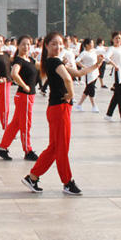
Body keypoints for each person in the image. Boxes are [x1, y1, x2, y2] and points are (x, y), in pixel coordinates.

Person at [21, 33, 102, 195]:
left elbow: (78, 74)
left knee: (55, 147)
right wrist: (71, 94)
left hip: (57, 108)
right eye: (53, 44)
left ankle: (33, 176)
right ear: (46, 46)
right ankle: (67, 182)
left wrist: (97, 65)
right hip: (60, 108)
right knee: (62, 148)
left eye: (60, 44)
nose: (58, 47)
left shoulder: (52, 61)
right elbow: (68, 79)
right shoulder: (54, 61)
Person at [0, 35, 40, 161]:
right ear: (18, 46)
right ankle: (28, 150)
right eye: (24, 44)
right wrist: (24, 85)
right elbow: (14, 73)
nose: (26, 47)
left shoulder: (30, 59)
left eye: (29, 44)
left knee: (16, 124)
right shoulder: (19, 60)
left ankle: (2, 148)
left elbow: (43, 67)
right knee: (25, 124)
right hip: (24, 96)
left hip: (28, 96)